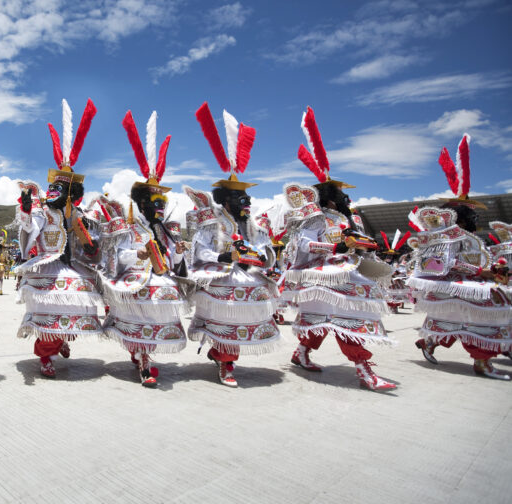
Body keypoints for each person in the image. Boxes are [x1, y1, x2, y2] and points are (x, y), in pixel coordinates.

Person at [280, 107, 396, 390]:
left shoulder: (349, 218)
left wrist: (364, 247)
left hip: (349, 270)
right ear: (331, 201)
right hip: (326, 274)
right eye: (343, 195)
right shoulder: (316, 217)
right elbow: (304, 245)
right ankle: (364, 370)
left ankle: (302, 352)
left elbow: (356, 245)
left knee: (332, 320)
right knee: (347, 320)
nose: (348, 198)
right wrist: (338, 245)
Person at [183, 105, 280, 387]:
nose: (247, 204)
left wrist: (264, 256)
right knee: (227, 316)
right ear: (226, 201)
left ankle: (222, 355)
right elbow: (199, 252)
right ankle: (226, 362)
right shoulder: (212, 224)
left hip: (248, 276)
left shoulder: (254, 226)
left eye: (248, 199)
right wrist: (225, 255)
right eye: (241, 200)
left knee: (245, 316)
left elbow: (264, 248)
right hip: (222, 276)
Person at [98, 110, 188, 388]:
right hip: (138, 280)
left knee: (156, 319)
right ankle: (144, 360)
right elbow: (117, 255)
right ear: (144, 203)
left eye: (162, 203)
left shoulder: (166, 229)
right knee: (141, 320)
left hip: (161, 279)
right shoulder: (131, 226)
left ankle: (143, 355)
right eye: (155, 203)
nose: (159, 208)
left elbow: (172, 260)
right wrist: (139, 254)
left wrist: (181, 250)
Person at [410, 135, 512, 380]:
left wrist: (493, 270)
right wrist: (481, 273)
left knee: (466, 319)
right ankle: (481, 361)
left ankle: (431, 343)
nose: (476, 218)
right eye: (472, 213)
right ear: (461, 216)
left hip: (467, 284)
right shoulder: (448, 236)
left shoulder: (466, 236)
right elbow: (445, 263)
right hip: (454, 285)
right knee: (487, 313)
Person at [15, 99, 103, 378]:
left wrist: (92, 246)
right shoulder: (44, 212)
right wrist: (27, 212)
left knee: (75, 302)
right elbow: (30, 228)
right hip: (49, 265)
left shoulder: (79, 214)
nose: (55, 192)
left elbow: (88, 238)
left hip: (72, 265)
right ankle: (45, 355)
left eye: (62, 188)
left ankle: (62, 338)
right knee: (51, 305)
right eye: (54, 187)